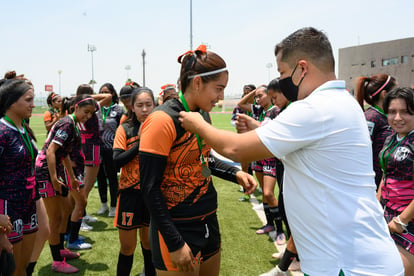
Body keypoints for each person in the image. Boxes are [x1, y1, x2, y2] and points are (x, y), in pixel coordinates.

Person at [179, 27, 404, 276]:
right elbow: (307, 153)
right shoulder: (341, 102)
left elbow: (234, 149)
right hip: (350, 257)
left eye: (283, 72)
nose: (282, 80)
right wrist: (259, 127)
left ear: (302, 68)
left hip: (347, 264)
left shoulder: (316, 108)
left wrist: (197, 123)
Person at [138, 45, 257, 275]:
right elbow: (149, 188)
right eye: (218, 88)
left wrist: (236, 174)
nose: (222, 96)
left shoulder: (202, 114)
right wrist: (174, 242)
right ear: (197, 83)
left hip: (208, 219)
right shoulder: (162, 120)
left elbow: (204, 161)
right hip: (176, 227)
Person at [35, 95, 98, 273]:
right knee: (55, 219)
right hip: (45, 172)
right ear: (75, 108)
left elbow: (65, 155)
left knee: (64, 213)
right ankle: (57, 261)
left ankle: (61, 249)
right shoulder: (67, 124)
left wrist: (71, 177)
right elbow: (51, 152)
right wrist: (54, 179)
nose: (88, 116)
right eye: (86, 112)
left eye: (91, 114)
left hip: (55, 172)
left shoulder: (73, 124)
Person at [113, 87, 156, 276]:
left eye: (148, 105)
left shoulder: (162, 128)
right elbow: (116, 161)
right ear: (132, 107)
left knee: (149, 244)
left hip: (154, 194)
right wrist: (141, 143)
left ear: (155, 106)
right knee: (127, 247)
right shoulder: (125, 129)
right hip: (130, 194)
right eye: (140, 105)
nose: (144, 109)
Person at [0, 79, 38, 275]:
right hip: (6, 210)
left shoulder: (23, 128)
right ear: (12, 102)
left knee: (22, 268)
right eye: (29, 100)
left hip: (28, 206)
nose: (33, 104)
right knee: (11, 270)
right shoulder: (1, 131)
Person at [378, 87, 414, 275]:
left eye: (406, 112)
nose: (398, 117)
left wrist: (401, 220)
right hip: (388, 217)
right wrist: (376, 207)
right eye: (392, 112)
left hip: (408, 221)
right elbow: (386, 175)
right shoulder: (390, 139)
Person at [75, 84, 112, 229]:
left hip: (87, 147)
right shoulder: (90, 107)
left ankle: (82, 215)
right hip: (90, 148)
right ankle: (79, 220)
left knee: (85, 186)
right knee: (85, 187)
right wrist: (89, 98)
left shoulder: (78, 108)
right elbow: (108, 97)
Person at [355, 74, 397, 189]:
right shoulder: (371, 118)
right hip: (372, 186)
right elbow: (360, 153)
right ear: (384, 94)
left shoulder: (387, 117)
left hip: (385, 185)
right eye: (395, 92)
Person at [96, 83, 123, 217]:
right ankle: (103, 204)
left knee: (112, 178)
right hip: (98, 149)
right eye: (101, 92)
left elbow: (121, 129)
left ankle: (113, 206)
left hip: (111, 149)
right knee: (100, 177)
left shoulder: (118, 110)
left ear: (112, 94)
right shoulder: (97, 109)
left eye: (106, 92)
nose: (103, 94)